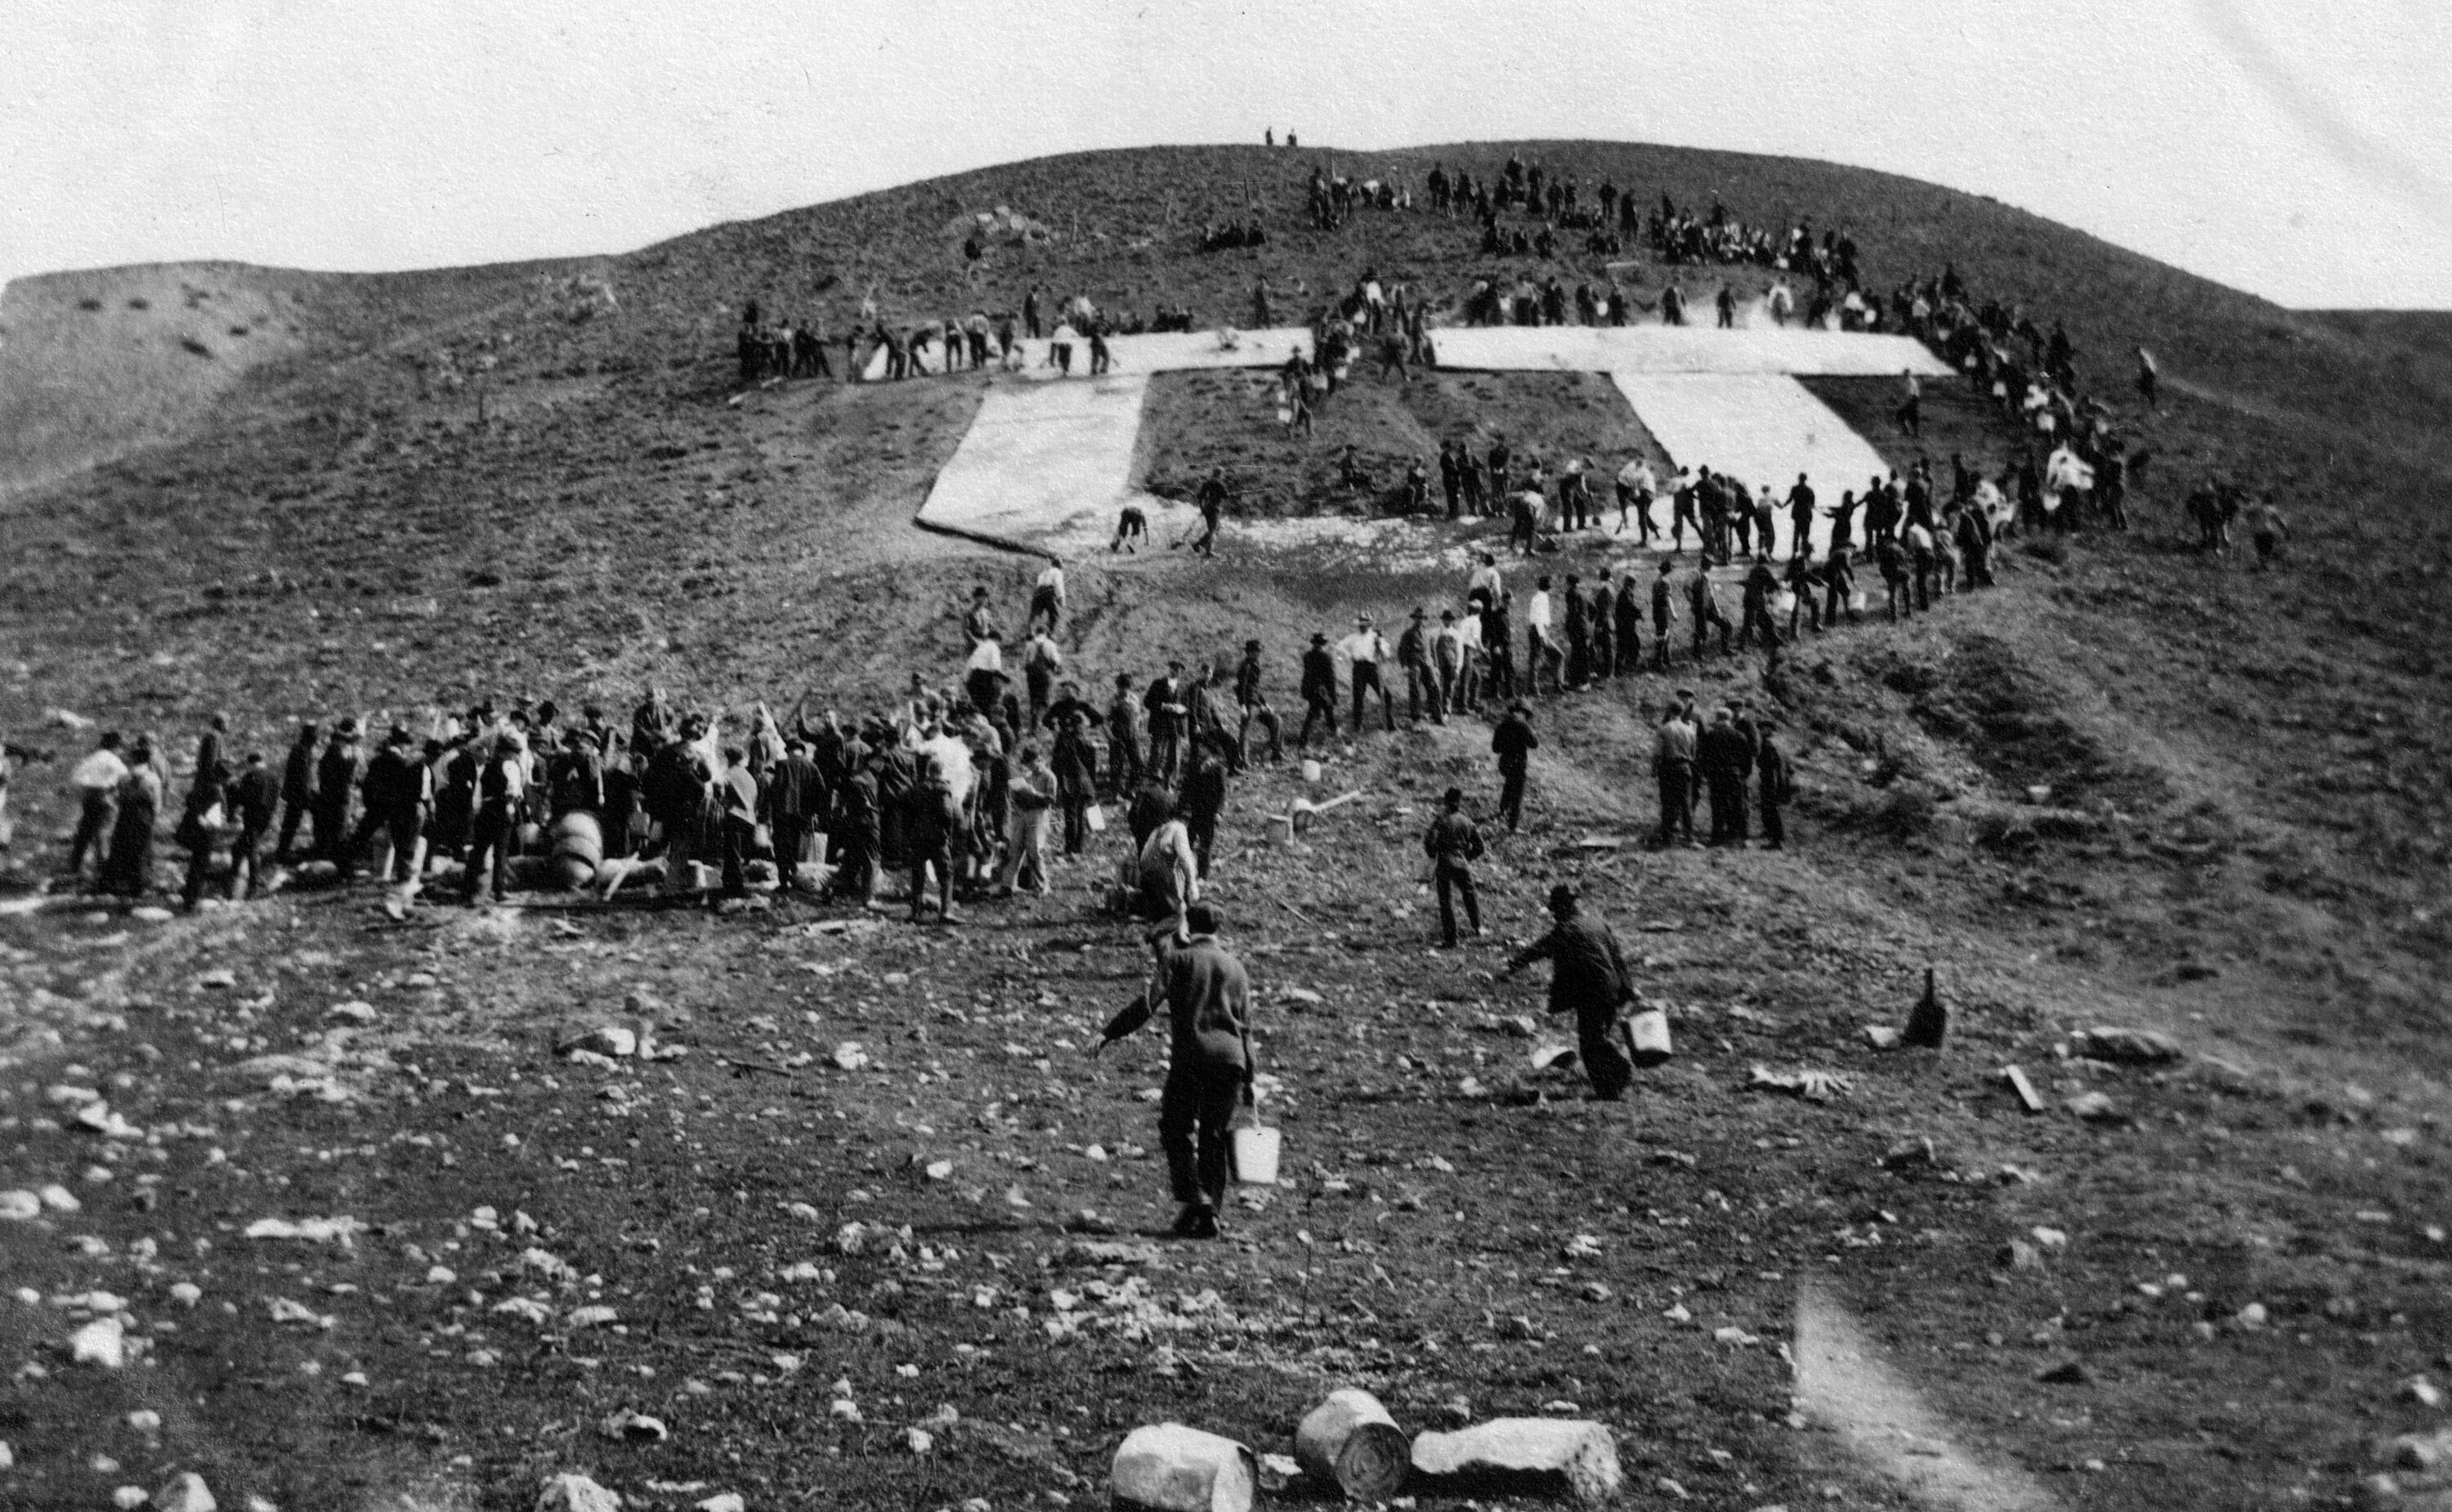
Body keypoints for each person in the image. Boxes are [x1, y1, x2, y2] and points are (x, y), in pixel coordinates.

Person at [1142, 902, 1254, 1239]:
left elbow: (1149, 996)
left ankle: (1196, 1196)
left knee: (1176, 1127)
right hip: (1232, 1060)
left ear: (1189, 926)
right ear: (1219, 930)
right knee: (1214, 1135)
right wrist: (1250, 1078)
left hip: (1192, 1055)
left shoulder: (1179, 959)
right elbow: (1246, 1026)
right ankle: (1211, 1214)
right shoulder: (1237, 967)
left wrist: (1109, 1032)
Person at [1501, 884, 1638, 1100]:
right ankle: (1609, 1090)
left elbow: (1539, 949)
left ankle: (1618, 1071)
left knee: (1591, 1044)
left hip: (1590, 992)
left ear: (1564, 908)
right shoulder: (1597, 924)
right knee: (1597, 1039)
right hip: (1612, 989)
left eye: (1556, 910)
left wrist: (1512, 966)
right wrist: (1629, 989)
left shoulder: (1565, 930)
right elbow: (1617, 958)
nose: (1555, 915)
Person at [463, 730, 526, 905]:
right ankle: (498, 890)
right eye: (514, 752)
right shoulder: (510, 766)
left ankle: (468, 888)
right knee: (500, 853)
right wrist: (510, 806)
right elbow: (513, 791)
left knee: (479, 850)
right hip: (503, 810)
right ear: (508, 751)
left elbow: (477, 795)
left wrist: (479, 811)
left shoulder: (486, 766)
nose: (515, 755)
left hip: (486, 810)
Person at [101, 737, 163, 898]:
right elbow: (157, 804)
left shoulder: (124, 778)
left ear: (134, 759)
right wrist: (152, 817)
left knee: (121, 847)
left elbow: (118, 797)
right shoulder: (153, 779)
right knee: (142, 849)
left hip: (126, 814)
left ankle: (114, 881)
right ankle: (139, 885)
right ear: (148, 760)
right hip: (144, 815)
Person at [1422, 786, 1485, 946]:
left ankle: (1451, 940)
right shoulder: (1468, 822)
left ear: (1445, 802)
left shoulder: (1440, 821)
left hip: (1444, 862)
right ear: (1459, 802)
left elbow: (1429, 841)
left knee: (1446, 902)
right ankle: (1478, 928)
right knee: (1470, 894)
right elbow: (1480, 848)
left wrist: (1433, 854)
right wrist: (1465, 857)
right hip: (1462, 863)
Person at [65, 731, 128, 884]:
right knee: (103, 832)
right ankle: (103, 866)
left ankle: (75, 863)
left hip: (89, 797)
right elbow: (125, 776)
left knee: (85, 830)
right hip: (106, 796)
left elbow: (75, 776)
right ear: (115, 746)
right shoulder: (112, 759)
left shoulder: (92, 758)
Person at [767, 736, 822, 892]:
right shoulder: (812, 767)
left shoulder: (782, 765)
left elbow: (775, 789)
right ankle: (795, 874)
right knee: (794, 845)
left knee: (781, 846)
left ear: (789, 751)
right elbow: (821, 789)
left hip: (783, 813)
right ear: (802, 752)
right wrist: (813, 811)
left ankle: (784, 883)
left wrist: (771, 808)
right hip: (802, 815)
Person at [226, 750, 280, 900]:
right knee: (238, 848)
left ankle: (251, 887)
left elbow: (242, 798)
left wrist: (232, 789)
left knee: (251, 851)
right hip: (266, 819)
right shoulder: (274, 777)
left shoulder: (251, 776)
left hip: (252, 819)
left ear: (250, 764)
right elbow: (276, 799)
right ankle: (234, 876)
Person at [1697, 708, 1754, 846]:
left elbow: (1704, 757)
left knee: (1718, 806)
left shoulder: (1711, 736)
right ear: (1730, 719)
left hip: (1717, 775)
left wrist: (1707, 774)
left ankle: (1717, 838)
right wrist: (1744, 774)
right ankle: (1742, 837)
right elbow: (1747, 760)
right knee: (1738, 805)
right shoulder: (1740, 736)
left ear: (1717, 719)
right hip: (1735, 774)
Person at [1338, 615, 1395, 733]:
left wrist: (1379, 647)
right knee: (1358, 698)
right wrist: (1349, 655)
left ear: (1369, 625)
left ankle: (1388, 723)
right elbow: (1339, 646)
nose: (1362, 628)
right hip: (1359, 669)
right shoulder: (1353, 638)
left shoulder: (1376, 637)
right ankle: (1358, 726)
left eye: (1365, 625)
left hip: (1372, 668)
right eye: (1360, 626)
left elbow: (1387, 654)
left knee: (1386, 696)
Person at [1653, 701, 1698, 846]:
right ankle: (1689, 837)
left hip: (1668, 768)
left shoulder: (1664, 729)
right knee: (1685, 802)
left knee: (1667, 802)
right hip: (1684, 767)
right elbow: (1693, 753)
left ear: (1669, 711)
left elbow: (1657, 753)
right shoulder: (1690, 730)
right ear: (1681, 712)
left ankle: (1667, 837)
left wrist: (1654, 769)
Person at [1233, 641, 1283, 764]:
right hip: (1249, 704)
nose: (1258, 654)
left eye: (1259, 651)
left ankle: (1276, 753)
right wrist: (1243, 706)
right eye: (1256, 651)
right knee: (1245, 732)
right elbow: (1241, 688)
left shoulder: (1255, 664)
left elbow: (1256, 688)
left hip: (1257, 703)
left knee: (1277, 720)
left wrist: (1265, 704)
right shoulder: (1246, 667)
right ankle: (1243, 760)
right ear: (1250, 652)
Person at [1491, 700, 1537, 831]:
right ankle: (1513, 826)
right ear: (1523, 713)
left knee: (1509, 782)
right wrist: (1530, 732)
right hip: (1518, 765)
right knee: (1518, 795)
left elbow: (1495, 749)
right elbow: (1534, 744)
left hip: (1504, 764)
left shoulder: (1502, 725)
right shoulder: (1524, 726)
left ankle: (1502, 809)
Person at [1397, 607, 1442, 725]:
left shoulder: (1429, 633)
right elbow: (1402, 651)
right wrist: (1404, 666)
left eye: (1422, 618)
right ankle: (1416, 718)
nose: (1420, 620)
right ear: (1414, 619)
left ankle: (1437, 715)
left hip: (1428, 663)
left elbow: (1433, 651)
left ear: (1425, 620)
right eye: (1418, 618)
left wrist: (1436, 666)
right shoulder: (1408, 634)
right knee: (1415, 689)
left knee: (1435, 687)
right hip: (1414, 664)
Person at [1756, 718, 1794, 850]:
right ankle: (1777, 836)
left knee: (1771, 810)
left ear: (1768, 730)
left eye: (1762, 729)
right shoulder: (1781, 743)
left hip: (1771, 781)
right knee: (1774, 809)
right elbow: (1790, 766)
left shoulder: (1767, 744)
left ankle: (1777, 841)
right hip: (1782, 780)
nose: (1760, 731)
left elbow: (1763, 763)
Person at [1296, 633, 1338, 745]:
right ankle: (1333, 735)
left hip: (1311, 689)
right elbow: (1330, 677)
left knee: (1313, 714)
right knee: (1327, 712)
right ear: (1322, 644)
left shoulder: (1307, 655)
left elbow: (1308, 675)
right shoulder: (1326, 657)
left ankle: (1303, 739)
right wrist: (1332, 695)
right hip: (1323, 691)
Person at [1028, 558, 1067, 633]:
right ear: (1060, 566)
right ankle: (1051, 634)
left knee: (1035, 614)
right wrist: (1061, 599)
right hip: (1049, 593)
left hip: (1038, 592)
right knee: (1054, 614)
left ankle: (1030, 632)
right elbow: (1058, 585)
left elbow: (1039, 584)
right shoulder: (1058, 572)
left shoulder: (1044, 572)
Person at [2248, 500, 2289, 570]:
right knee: (2267, 550)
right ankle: (2263, 565)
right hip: (2267, 532)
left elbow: (2249, 519)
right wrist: (2285, 531)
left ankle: (2262, 564)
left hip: (2258, 533)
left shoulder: (2255, 510)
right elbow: (2278, 521)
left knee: (2260, 549)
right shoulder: (2270, 510)